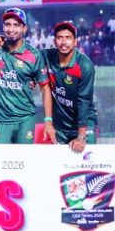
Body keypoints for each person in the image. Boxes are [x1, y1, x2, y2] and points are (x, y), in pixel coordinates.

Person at [0, 9, 54, 144]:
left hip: (25, 119)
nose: (11, 29)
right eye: (8, 24)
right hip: (0, 120)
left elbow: (45, 88)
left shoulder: (34, 55)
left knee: (25, 158)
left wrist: (48, 120)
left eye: (16, 25)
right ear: (3, 27)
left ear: (24, 28)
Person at [43, 21, 98, 152]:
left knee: (86, 161)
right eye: (60, 37)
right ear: (54, 41)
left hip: (84, 124)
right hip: (60, 126)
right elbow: (25, 52)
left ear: (75, 42)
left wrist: (81, 136)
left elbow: (84, 101)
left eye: (68, 38)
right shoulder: (46, 56)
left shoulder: (85, 65)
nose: (64, 42)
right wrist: (2, 40)